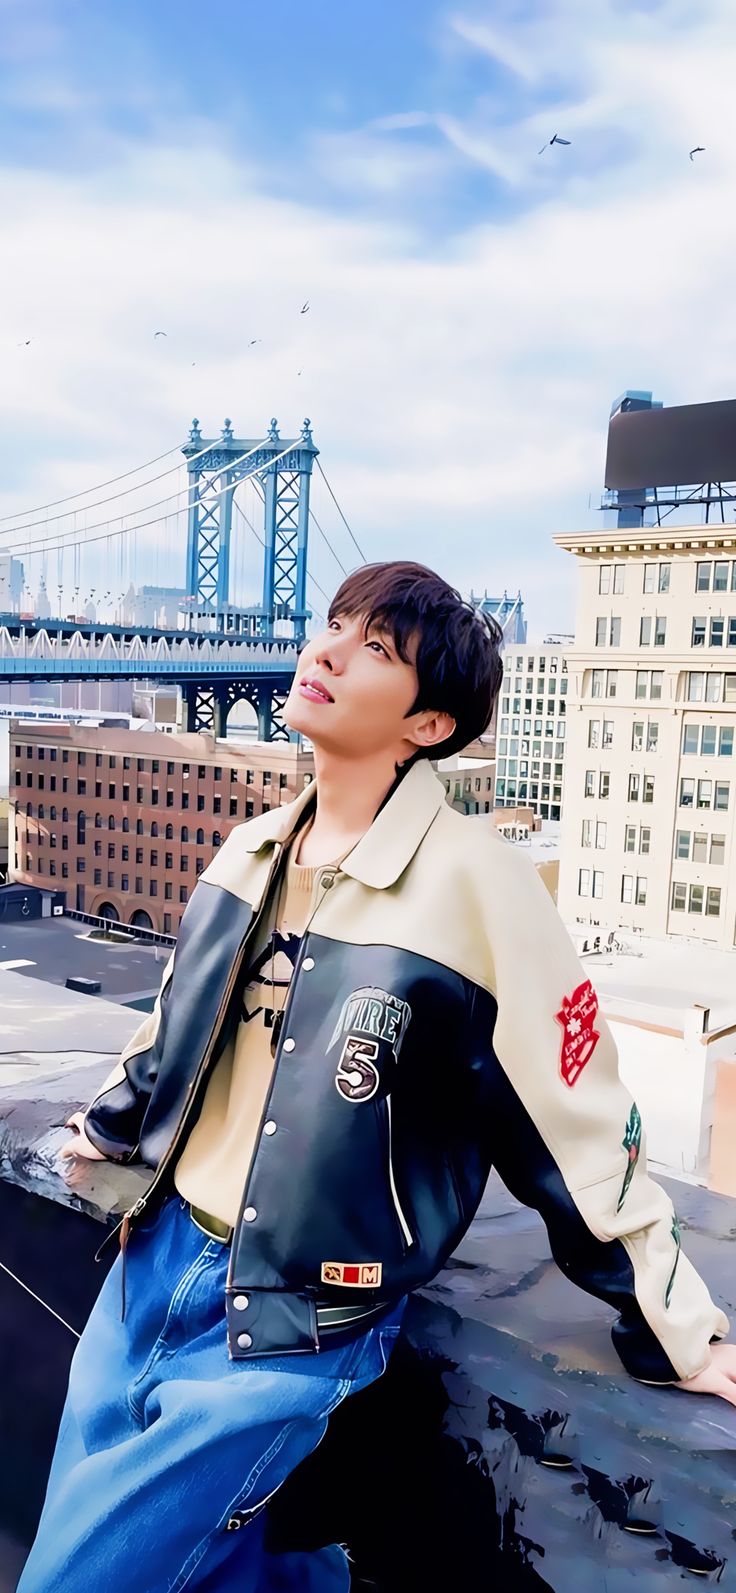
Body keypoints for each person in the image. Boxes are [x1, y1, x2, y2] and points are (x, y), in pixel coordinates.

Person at [18, 561, 735, 1593]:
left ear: (429, 726)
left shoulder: (480, 887)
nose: (325, 652)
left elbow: (574, 1118)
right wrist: (114, 1128)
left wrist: (673, 1326)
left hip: (291, 1318)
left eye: (377, 650)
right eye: (334, 627)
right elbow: (172, 1035)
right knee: (203, 1568)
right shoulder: (251, 849)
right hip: (149, 1265)